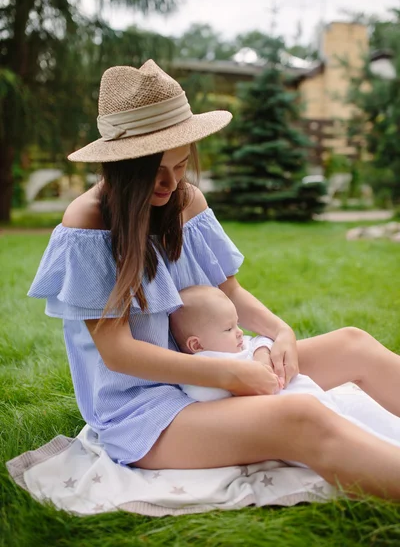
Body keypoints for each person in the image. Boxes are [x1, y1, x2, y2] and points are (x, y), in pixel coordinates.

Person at [28, 59, 400, 500]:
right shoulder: (88, 223)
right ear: (123, 167)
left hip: (219, 368)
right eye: (155, 172)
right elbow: (119, 353)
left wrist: (279, 330)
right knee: (301, 419)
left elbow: (231, 292)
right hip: (147, 410)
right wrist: (230, 377)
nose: (171, 184)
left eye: (181, 166)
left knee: (352, 344)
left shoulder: (187, 201)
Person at [170, 285, 400, 452]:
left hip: (315, 397)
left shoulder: (237, 346)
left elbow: (260, 340)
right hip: (292, 417)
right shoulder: (205, 366)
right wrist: (234, 380)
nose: (239, 332)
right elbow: (207, 395)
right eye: (228, 329)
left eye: (237, 324)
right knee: (359, 435)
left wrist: (261, 355)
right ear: (196, 345)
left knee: (368, 422)